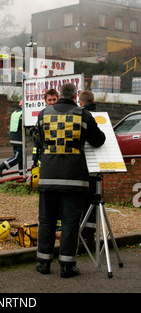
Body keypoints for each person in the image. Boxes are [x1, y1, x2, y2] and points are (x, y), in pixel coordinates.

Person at [36, 83, 106, 278]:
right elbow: (98, 140)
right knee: (70, 222)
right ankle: (67, 266)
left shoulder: (44, 114)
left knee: (46, 220)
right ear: (76, 96)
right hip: (74, 178)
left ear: (59, 95)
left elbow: (41, 141)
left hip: (48, 174)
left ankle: (43, 263)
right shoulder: (83, 115)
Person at [79, 90, 97, 244]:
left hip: (82, 165)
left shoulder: (81, 116)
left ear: (80, 102)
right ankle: (90, 235)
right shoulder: (101, 116)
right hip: (96, 165)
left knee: (82, 201)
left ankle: (82, 232)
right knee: (93, 201)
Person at [0, 100, 24, 177]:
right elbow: (25, 124)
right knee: (18, 156)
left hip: (14, 137)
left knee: (22, 157)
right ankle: (2, 166)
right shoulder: (23, 114)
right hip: (19, 138)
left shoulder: (15, 113)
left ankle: (22, 174)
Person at [32, 89, 59, 167]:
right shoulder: (42, 115)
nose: (52, 102)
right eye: (49, 100)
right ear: (45, 101)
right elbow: (38, 140)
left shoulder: (62, 113)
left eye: (54, 99)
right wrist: (35, 159)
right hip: (47, 151)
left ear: (58, 99)